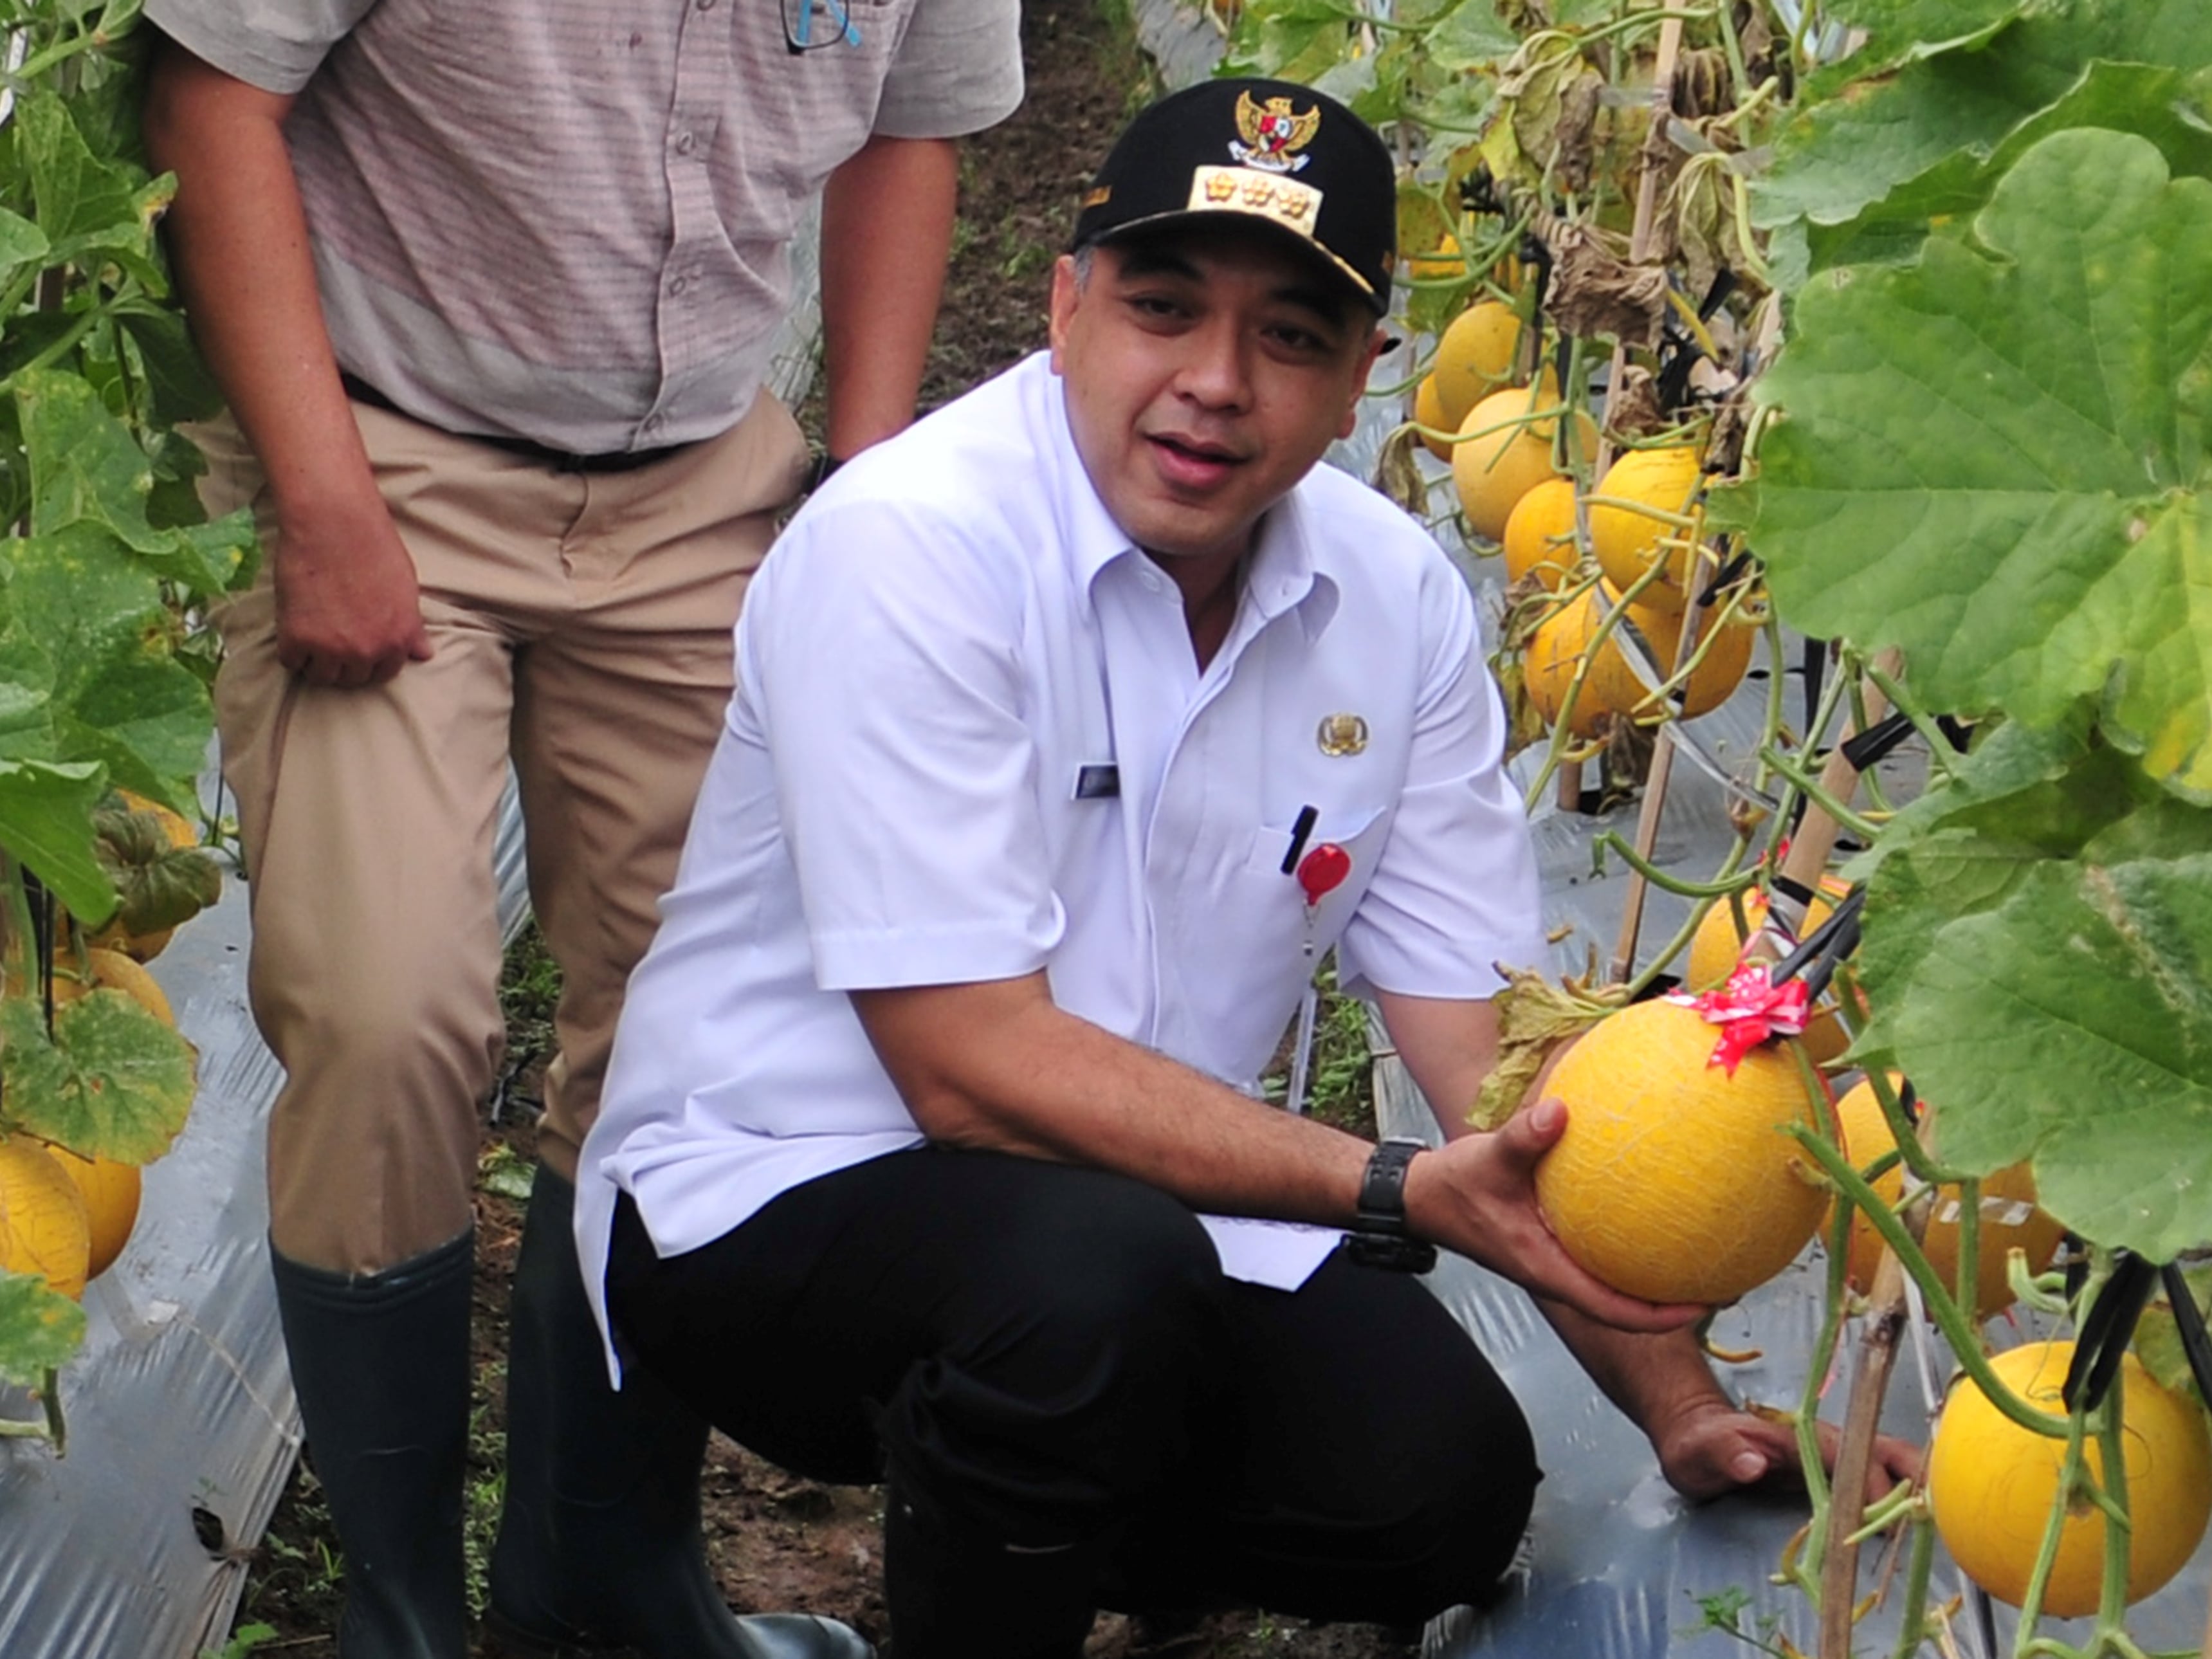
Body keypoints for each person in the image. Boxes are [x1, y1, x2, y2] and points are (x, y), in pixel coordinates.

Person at [576, 76, 1917, 1659]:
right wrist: (1385, 1189)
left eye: (1290, 336)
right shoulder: (908, 550)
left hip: (1142, 1223)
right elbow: (966, 1072)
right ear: (1064, 307)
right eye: (1162, 308)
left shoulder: (1392, 598)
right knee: (1082, 1281)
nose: (1214, 384)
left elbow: (1497, 1070)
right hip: (773, 1198)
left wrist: (1678, 1403)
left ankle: (1042, 1493)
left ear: (1361, 377)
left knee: (1434, 1492)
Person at [138, 3, 1022, 1654]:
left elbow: (915, 122)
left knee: (690, 1035)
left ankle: (604, 1575)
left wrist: (869, 467)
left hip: (702, 472)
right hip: (380, 433)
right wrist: (322, 502)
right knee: (389, 1009)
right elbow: (213, 93)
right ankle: (399, 1611)